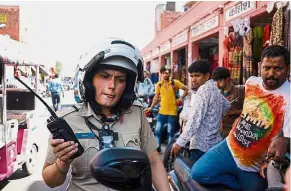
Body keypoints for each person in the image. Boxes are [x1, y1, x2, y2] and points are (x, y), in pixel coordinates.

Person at [42, 38, 171, 191]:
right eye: (104, 76)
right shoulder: (67, 119)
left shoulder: (136, 113)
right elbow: (50, 181)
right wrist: (61, 163)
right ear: (89, 81)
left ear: (128, 87)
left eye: (120, 79)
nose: (112, 86)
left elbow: (154, 162)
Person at [191, 45, 290, 191]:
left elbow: (287, 139)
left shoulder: (289, 97)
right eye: (266, 68)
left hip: (254, 165)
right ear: (259, 66)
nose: (271, 74)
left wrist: (285, 141)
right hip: (229, 147)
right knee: (198, 173)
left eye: (278, 68)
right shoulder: (251, 82)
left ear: (288, 68)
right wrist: (240, 118)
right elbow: (249, 107)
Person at [170, 60, 231, 163]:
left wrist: (180, 142)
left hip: (201, 146)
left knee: (196, 177)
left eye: (197, 76)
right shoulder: (214, 88)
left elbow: (194, 120)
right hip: (213, 144)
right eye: (192, 76)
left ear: (207, 76)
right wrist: (213, 115)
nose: (193, 79)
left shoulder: (204, 90)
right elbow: (227, 105)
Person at [145, 66, 188, 153]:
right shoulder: (159, 84)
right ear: (161, 74)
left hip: (172, 112)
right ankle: (158, 149)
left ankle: (169, 151)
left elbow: (186, 89)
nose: (165, 74)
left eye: (167, 72)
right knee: (157, 131)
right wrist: (151, 107)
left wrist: (180, 99)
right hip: (162, 112)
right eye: (164, 73)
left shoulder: (175, 83)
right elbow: (156, 97)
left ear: (169, 74)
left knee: (170, 133)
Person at [212, 67, 245, 137]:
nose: (217, 84)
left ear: (227, 79)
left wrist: (233, 112)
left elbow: (251, 110)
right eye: (216, 81)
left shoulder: (240, 90)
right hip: (221, 133)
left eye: (220, 80)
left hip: (236, 132)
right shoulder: (217, 93)